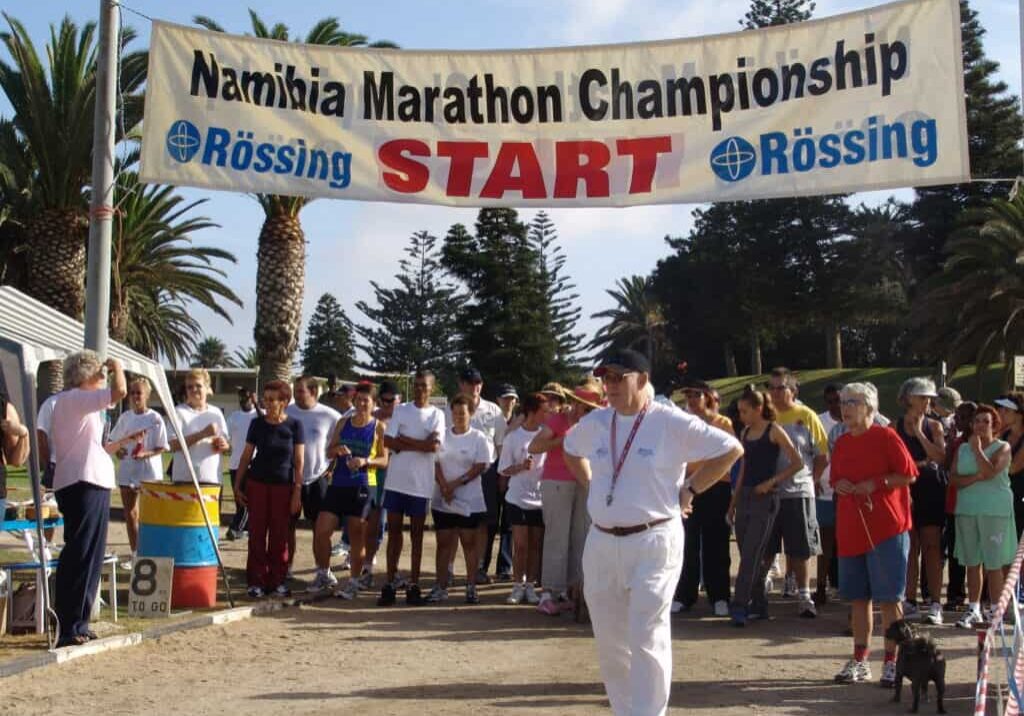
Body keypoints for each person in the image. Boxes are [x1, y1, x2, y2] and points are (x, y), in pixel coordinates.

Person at [563, 349, 742, 716]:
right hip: (601, 541)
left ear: (642, 379)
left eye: (618, 378)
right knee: (610, 641)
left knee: (646, 632)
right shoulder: (598, 421)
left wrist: (690, 489)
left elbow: (730, 449)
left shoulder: (670, 421)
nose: (609, 385)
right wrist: (593, 485)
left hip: (654, 539)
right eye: (606, 378)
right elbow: (569, 448)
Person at [829, 381, 917, 686]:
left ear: (869, 407)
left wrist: (875, 483)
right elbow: (835, 478)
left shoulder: (887, 436)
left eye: (852, 402)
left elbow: (908, 474)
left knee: (890, 599)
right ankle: (860, 660)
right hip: (851, 528)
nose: (845, 408)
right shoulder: (841, 442)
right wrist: (839, 485)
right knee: (858, 598)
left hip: (887, 529)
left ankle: (892, 662)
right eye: (843, 402)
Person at [51, 351, 127, 647]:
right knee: (81, 551)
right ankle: (69, 624)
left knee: (92, 554)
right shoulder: (74, 398)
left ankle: (79, 621)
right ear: (86, 375)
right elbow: (119, 391)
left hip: (92, 479)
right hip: (81, 481)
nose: (102, 377)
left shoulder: (82, 404)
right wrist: (118, 367)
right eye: (98, 373)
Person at [728, 386, 801, 626]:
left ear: (758, 409)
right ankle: (759, 604)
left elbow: (797, 462)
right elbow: (742, 470)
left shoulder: (774, 431)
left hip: (766, 499)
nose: (741, 416)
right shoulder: (745, 432)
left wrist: (771, 482)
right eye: (740, 411)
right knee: (750, 555)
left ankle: (739, 605)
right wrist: (733, 503)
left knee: (751, 554)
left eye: (745, 411)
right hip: (745, 496)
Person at [529, 382, 602, 615]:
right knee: (557, 536)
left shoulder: (596, 423)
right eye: (582, 405)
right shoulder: (559, 420)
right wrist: (563, 441)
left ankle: (572, 590)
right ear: (575, 403)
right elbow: (535, 446)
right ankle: (549, 593)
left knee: (581, 536)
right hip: (557, 481)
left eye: (590, 408)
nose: (584, 410)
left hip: (585, 481)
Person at [311, 382, 388, 598]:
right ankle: (324, 574)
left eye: (366, 401)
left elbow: (384, 460)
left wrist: (366, 461)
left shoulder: (378, 427)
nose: (362, 404)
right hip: (338, 484)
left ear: (374, 404)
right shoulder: (343, 423)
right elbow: (329, 452)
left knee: (356, 535)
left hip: (363, 485)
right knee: (322, 530)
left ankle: (354, 581)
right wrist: (337, 450)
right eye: (359, 400)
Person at [379, 369, 446, 606]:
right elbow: (388, 441)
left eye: (424, 386)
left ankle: (414, 584)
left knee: (417, 536)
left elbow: (434, 447)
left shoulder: (437, 414)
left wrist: (404, 441)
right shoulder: (401, 410)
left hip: (420, 484)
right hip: (396, 482)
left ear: (431, 388)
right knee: (394, 533)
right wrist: (420, 444)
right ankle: (390, 582)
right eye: (416, 385)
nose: (419, 389)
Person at [233, 380, 305, 598]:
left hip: (283, 487)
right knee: (256, 534)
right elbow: (246, 456)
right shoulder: (257, 424)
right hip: (257, 484)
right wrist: (237, 485)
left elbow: (299, 461)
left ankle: (277, 581)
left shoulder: (295, 425)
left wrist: (297, 491)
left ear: (284, 401)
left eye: (272, 400)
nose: (267, 403)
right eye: (266, 399)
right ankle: (256, 581)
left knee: (279, 536)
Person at [765, 367, 827, 618]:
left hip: (798, 493)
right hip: (768, 494)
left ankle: (804, 595)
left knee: (801, 549)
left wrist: (811, 480)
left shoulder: (807, 415)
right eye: (771, 387)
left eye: (780, 387)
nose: (775, 392)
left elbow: (822, 455)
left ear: (793, 390)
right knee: (766, 548)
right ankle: (759, 595)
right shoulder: (765, 415)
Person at [675, 376, 735, 616]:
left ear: (708, 397)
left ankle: (719, 596)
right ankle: (684, 596)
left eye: (696, 395)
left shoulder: (723, 423)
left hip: (717, 487)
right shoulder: (684, 422)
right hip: (689, 487)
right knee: (687, 543)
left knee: (716, 543)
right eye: (688, 395)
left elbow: (730, 455)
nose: (691, 400)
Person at [951, 404, 1014, 629]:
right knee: (972, 562)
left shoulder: (1003, 447)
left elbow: (990, 472)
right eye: (977, 421)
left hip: (994, 511)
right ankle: (974, 609)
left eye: (985, 421)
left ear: (994, 425)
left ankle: (996, 611)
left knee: (994, 563)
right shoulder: (962, 448)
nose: (980, 425)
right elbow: (954, 479)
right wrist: (976, 477)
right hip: (967, 509)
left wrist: (977, 451)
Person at [428, 394, 493, 604]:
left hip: (469, 501)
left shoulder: (479, 438)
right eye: (455, 413)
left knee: (469, 543)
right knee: (443, 544)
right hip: (443, 500)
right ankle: (440, 586)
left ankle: (471, 587)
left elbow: (479, 466)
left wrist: (455, 484)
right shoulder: (443, 435)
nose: (458, 417)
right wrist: (444, 486)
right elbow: (435, 463)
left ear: (470, 414)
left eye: (462, 413)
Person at [894, 377, 946, 625]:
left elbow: (940, 457)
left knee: (932, 547)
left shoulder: (934, 426)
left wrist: (918, 434)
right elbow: (894, 462)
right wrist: (918, 464)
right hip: (904, 490)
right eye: (922, 397)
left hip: (930, 489)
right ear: (908, 398)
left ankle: (935, 603)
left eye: (929, 397)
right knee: (909, 546)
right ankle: (910, 601)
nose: (927, 401)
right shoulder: (894, 427)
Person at [448, 368, 507, 584]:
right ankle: (449, 568)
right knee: (454, 522)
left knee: (484, 523)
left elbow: (500, 446)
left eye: (478, 383)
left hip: (486, 473)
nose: (475, 387)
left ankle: (479, 568)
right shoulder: (450, 409)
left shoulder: (494, 411)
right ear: (461, 384)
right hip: (455, 472)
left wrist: (502, 475)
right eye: (471, 383)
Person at [106, 377, 169, 569]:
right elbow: (113, 441)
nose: (135, 397)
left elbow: (162, 447)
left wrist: (145, 454)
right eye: (132, 393)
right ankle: (136, 554)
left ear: (147, 395)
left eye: (138, 393)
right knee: (130, 514)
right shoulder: (125, 417)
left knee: (151, 516)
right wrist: (119, 451)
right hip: (127, 472)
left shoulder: (155, 418)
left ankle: (152, 554)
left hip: (149, 474)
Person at [286, 376, 342, 578]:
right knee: (287, 527)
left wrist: (331, 467)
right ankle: (286, 568)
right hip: (290, 478)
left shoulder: (331, 416)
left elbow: (337, 445)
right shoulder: (287, 412)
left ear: (313, 392)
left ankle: (322, 570)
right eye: (295, 391)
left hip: (317, 479)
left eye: (300, 391)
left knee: (320, 529)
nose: (296, 395)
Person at [498, 392, 547, 605]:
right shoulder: (513, 437)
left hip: (540, 499)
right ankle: (517, 586)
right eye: (544, 411)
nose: (547, 414)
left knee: (535, 545)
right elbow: (502, 469)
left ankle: (531, 587)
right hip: (517, 498)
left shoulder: (546, 435)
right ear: (532, 412)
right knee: (520, 545)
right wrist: (520, 467)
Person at [361, 380, 401, 587]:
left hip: (399, 475)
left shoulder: (404, 417)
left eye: (390, 401)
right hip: (376, 474)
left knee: (394, 525)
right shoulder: (372, 418)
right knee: (372, 521)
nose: (386, 405)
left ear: (398, 400)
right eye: (383, 401)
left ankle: (393, 571)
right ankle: (367, 565)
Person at [168, 368, 229, 486]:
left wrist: (223, 445)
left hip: (212, 480)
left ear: (207, 388)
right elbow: (172, 445)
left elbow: (226, 445)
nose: (194, 390)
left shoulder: (216, 413)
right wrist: (202, 434)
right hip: (185, 480)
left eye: (198, 386)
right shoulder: (178, 412)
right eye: (189, 387)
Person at [943, 400, 977, 610]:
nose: (959, 421)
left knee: (974, 553)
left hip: (975, 505)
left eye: (964, 417)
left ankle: (979, 598)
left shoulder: (982, 443)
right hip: (954, 504)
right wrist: (950, 440)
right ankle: (955, 594)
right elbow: (946, 465)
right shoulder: (956, 442)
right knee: (955, 551)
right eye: (957, 417)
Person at [815, 383, 843, 604]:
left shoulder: (858, 420)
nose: (834, 405)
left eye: (838, 401)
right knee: (824, 543)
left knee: (848, 542)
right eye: (830, 401)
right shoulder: (819, 421)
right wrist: (814, 479)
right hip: (824, 491)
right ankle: (820, 586)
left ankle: (847, 586)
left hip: (850, 492)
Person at [225, 389, 259, 540]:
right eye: (240, 398)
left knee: (246, 498)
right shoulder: (233, 417)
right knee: (238, 498)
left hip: (252, 464)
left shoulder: (258, 415)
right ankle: (246, 528)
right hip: (234, 464)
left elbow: (266, 422)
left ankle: (236, 527)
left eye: (246, 398)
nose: (242, 401)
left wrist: (257, 404)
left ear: (252, 398)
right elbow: (226, 437)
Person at [995, 393, 1024, 540]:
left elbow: (1013, 468)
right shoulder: (1003, 434)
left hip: (1019, 500)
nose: (1001, 413)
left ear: (1019, 414)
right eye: (1001, 409)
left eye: (1007, 410)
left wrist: (991, 467)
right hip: (1001, 498)